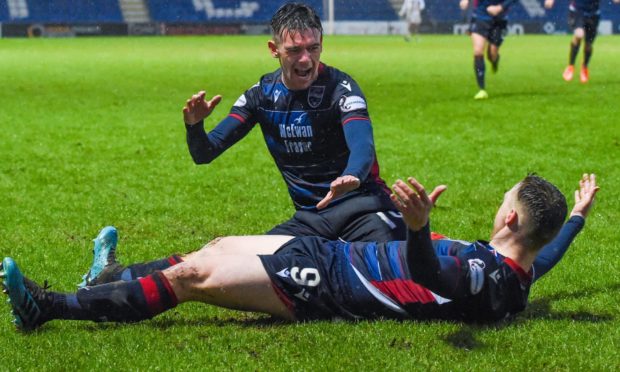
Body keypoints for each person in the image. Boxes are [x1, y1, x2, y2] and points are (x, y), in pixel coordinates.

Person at [1, 173, 599, 329]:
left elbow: (430, 272)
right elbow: (547, 258)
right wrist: (576, 215)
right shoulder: (518, 274)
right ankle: (104, 280)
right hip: (333, 258)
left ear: (509, 217)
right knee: (209, 248)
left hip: (330, 283)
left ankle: (47, 307)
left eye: (503, 199)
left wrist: (417, 226)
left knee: (190, 275)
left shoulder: (477, 275)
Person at [182, 2, 405, 242]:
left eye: (313, 48)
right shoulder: (260, 97)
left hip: (365, 209)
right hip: (311, 220)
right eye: (294, 50)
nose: (306, 60)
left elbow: (363, 145)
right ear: (273, 49)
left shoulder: (342, 90)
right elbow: (204, 153)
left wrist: (351, 174)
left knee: (391, 266)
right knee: (247, 265)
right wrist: (194, 126)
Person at [544, 0, 620, 83]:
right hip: (577, 12)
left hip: (593, 15)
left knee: (588, 45)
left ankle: (584, 67)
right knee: (579, 34)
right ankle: (571, 66)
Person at [459, 0, 518, 100]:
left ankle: (495, 59)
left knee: (492, 54)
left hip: (499, 19)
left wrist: (499, 7)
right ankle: (482, 89)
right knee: (478, 51)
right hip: (480, 16)